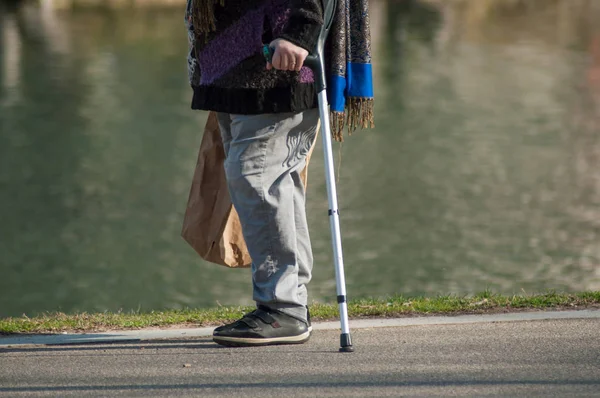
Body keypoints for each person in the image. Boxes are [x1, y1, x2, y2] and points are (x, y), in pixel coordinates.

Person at [185, 0, 324, 347]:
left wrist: (300, 32)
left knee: (257, 177)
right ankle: (289, 302)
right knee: (272, 181)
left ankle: (283, 306)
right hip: (235, 67)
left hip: (276, 68)